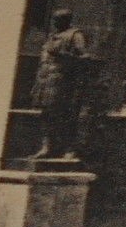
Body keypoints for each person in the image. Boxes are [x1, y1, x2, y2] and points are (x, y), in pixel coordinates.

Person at [30, 9, 93, 159]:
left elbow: (85, 57)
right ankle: (47, 147)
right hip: (45, 82)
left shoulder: (75, 35)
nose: (55, 23)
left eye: (58, 20)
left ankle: (69, 148)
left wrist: (64, 56)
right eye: (54, 20)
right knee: (46, 115)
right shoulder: (52, 37)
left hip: (63, 82)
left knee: (66, 115)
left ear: (66, 21)